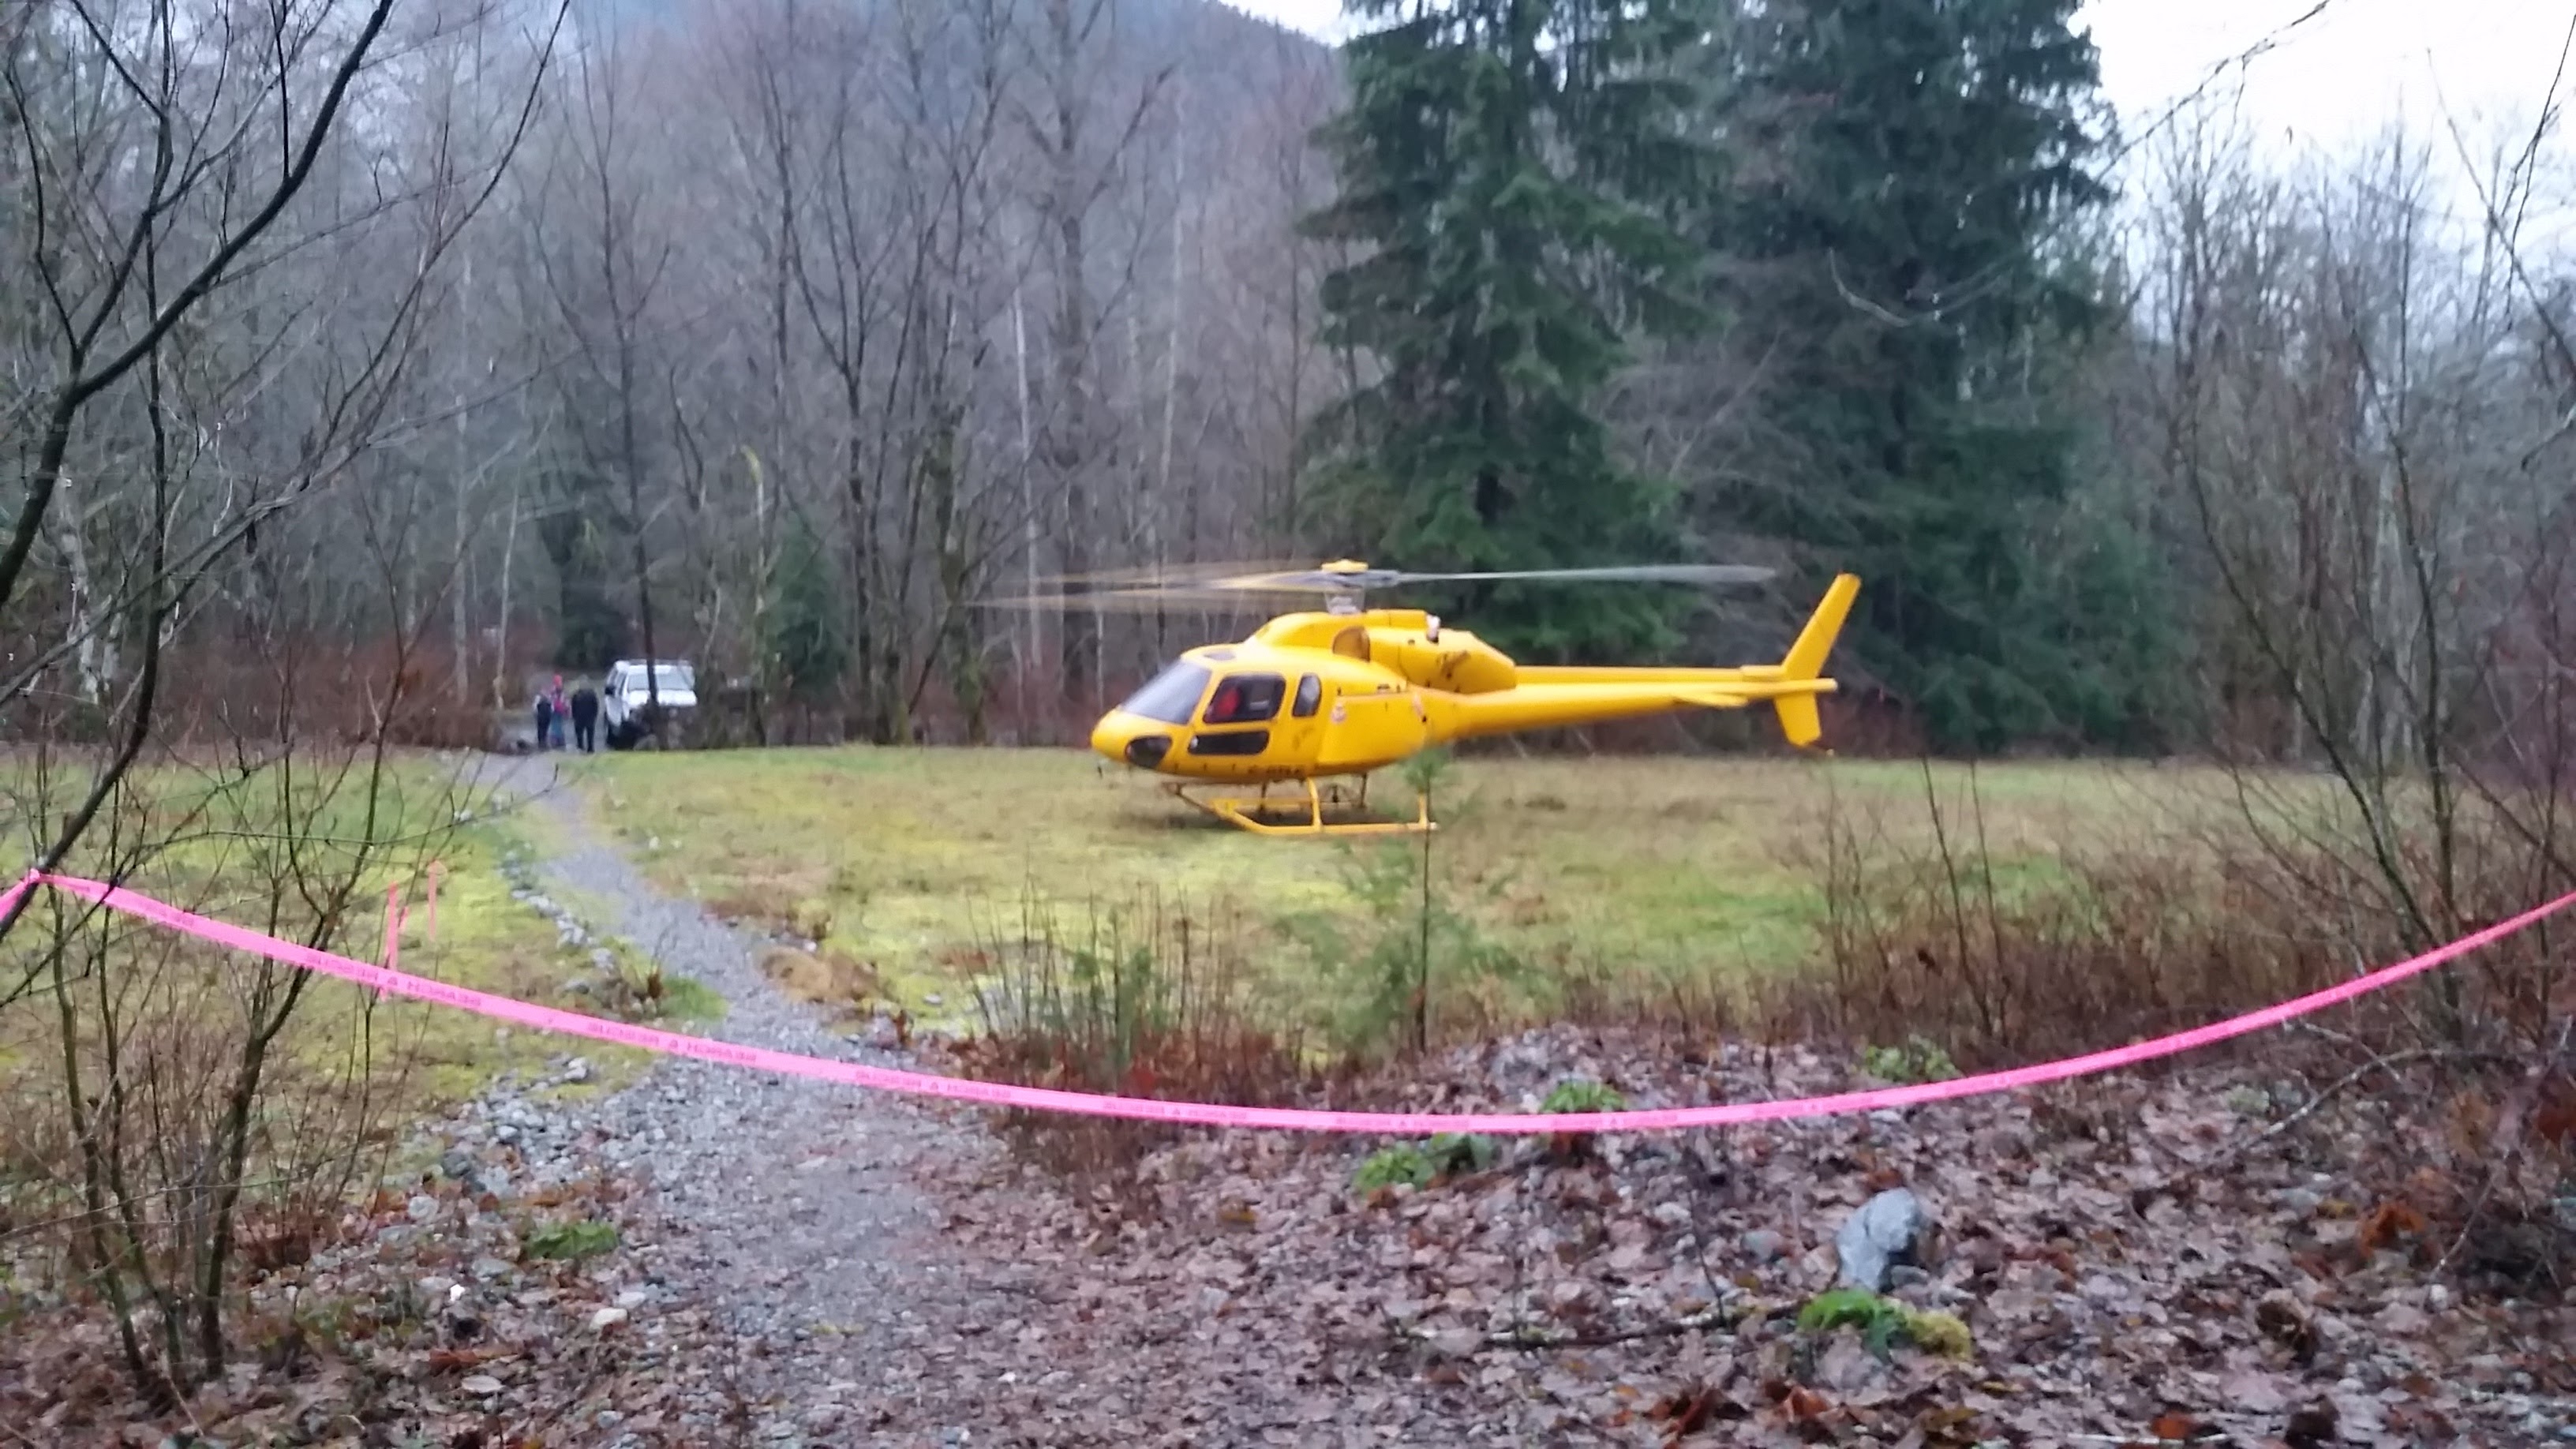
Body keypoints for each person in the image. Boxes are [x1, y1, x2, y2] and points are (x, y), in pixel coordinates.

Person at [569, 679, 601, 754]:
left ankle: (580, 747)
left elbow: (573, 707)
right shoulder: (592, 694)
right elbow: (596, 706)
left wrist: (574, 716)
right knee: (590, 734)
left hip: (579, 717)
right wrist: (595, 715)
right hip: (590, 717)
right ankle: (590, 748)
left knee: (579, 733)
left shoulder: (576, 695)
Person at [546, 675, 569, 750]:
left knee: (558, 725)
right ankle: (557, 741)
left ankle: (558, 740)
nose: (560, 683)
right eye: (559, 682)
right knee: (556, 725)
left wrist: (567, 709)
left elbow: (565, 701)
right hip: (556, 711)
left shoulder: (555, 691)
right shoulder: (555, 691)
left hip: (559, 711)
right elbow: (551, 700)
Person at [532, 687, 553, 751]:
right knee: (543, 730)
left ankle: (542, 742)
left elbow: (535, 708)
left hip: (542, 717)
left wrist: (535, 715)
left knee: (542, 730)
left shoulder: (539, 698)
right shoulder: (548, 698)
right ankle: (543, 742)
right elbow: (552, 709)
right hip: (545, 717)